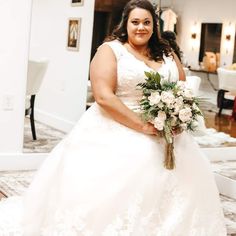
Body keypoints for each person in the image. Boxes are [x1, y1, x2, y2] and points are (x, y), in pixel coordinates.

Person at [0, 0, 227, 235]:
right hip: (119, 123)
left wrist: (177, 118)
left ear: (155, 26)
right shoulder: (111, 50)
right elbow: (103, 96)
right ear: (125, 24)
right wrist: (143, 125)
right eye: (135, 22)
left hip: (167, 129)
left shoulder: (167, 52)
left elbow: (182, 87)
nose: (141, 27)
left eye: (147, 22)